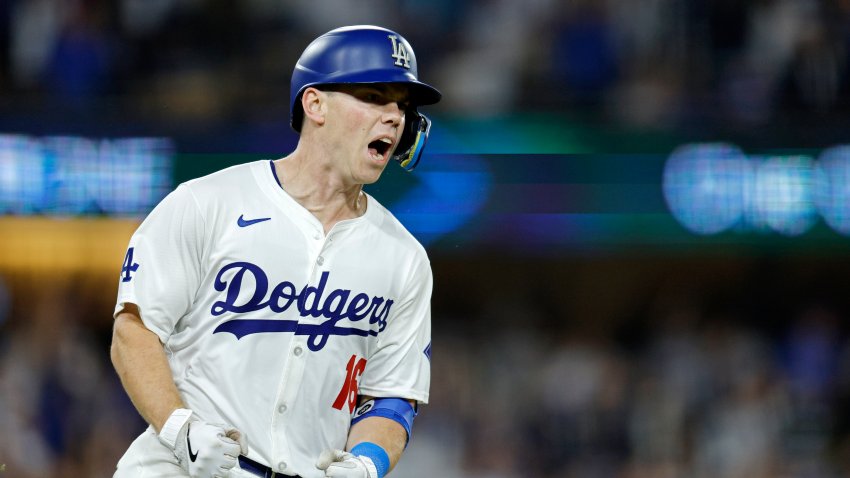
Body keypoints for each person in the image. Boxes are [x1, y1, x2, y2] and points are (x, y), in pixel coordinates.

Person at [110, 25, 440, 478]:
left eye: (402, 105)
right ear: (314, 103)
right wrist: (179, 429)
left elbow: (392, 396)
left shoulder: (403, 257)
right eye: (373, 97)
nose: (394, 117)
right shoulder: (208, 203)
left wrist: (368, 463)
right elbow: (134, 331)